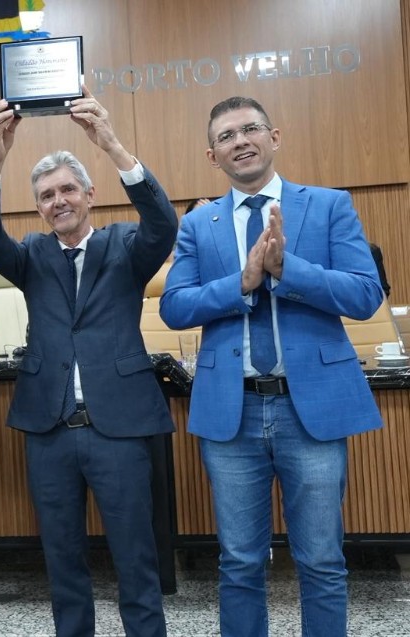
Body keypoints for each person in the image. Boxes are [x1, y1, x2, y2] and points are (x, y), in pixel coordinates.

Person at [159, 96, 384, 637]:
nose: (240, 140)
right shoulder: (199, 223)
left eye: (250, 129)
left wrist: (289, 270)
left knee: (322, 560)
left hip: (311, 410)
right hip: (231, 415)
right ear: (212, 156)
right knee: (238, 562)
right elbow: (175, 306)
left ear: (274, 137)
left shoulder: (329, 206)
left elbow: (364, 294)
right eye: (226, 136)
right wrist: (241, 284)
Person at [0, 91, 176, 637]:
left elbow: (162, 223)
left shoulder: (126, 245)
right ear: (37, 207)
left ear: (89, 194)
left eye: (67, 189)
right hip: (51, 430)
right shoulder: (33, 256)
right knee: (62, 563)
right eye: (46, 195)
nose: (57, 201)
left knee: (136, 558)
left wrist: (109, 142)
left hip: (122, 428)